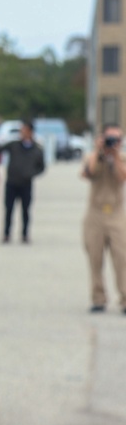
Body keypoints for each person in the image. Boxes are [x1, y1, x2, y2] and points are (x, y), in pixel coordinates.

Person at [81, 124, 126, 314]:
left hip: (116, 214)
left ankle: (124, 298)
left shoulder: (122, 159)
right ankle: (98, 298)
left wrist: (114, 156)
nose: (112, 143)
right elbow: (88, 173)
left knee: (122, 258)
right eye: (109, 138)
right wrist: (99, 151)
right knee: (95, 258)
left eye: (116, 139)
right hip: (95, 214)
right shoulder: (92, 156)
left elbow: (122, 178)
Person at [0, 119, 45, 244]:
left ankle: (25, 234)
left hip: (26, 184)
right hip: (12, 183)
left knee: (25, 210)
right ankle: (7, 233)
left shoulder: (37, 149)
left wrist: (31, 174)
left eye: (24, 130)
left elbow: (41, 167)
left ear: (30, 132)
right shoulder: (14, 145)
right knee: (9, 209)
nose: (22, 133)